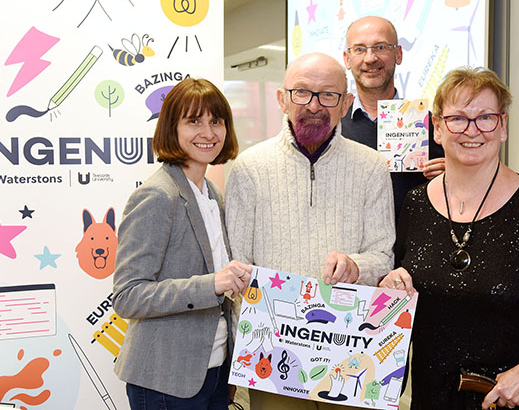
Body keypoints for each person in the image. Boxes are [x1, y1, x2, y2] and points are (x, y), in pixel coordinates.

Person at [381, 67, 519, 409]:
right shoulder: (416, 204)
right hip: (433, 396)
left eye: (485, 118)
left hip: (510, 399)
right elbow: (401, 281)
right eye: (458, 118)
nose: (472, 130)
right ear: (437, 128)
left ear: (502, 127)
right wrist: (391, 283)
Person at [225, 52, 395, 410]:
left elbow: (383, 256)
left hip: (349, 351)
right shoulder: (248, 169)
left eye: (328, 95)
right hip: (273, 353)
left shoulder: (371, 167)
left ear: (345, 103)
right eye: (302, 92)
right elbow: (237, 266)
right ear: (282, 99)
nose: (314, 105)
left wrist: (356, 266)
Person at [112, 78, 252, 409]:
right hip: (166, 379)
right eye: (194, 121)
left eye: (216, 121)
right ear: (171, 128)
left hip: (213, 371)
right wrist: (212, 284)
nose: (208, 132)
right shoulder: (157, 195)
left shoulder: (211, 193)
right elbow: (127, 296)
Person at [342, 16, 445, 217]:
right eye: (360, 49)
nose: (370, 58)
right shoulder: (333, 127)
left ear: (398, 54)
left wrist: (454, 176)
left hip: (413, 236)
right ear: (347, 59)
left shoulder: (429, 125)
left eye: (380, 47)